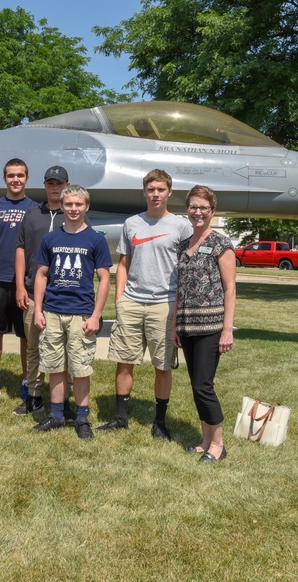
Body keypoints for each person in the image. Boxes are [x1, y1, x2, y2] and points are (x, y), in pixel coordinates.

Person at [99, 169, 192, 441]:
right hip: (131, 302)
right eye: (151, 189)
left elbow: (186, 267)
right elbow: (123, 264)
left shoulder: (181, 226)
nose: (155, 194)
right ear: (144, 192)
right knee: (124, 361)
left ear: (169, 192)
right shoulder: (132, 223)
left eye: (160, 190)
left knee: (162, 365)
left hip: (165, 304)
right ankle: (120, 417)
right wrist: (120, 300)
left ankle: (160, 422)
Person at [31, 185, 112, 439]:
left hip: (81, 313)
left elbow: (104, 278)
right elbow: (42, 275)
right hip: (53, 311)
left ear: (86, 206)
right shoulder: (51, 239)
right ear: (62, 206)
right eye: (69, 204)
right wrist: (38, 309)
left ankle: (81, 418)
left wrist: (96, 315)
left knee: (80, 367)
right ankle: (56, 415)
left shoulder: (96, 239)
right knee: (54, 365)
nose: (74, 209)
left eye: (79, 205)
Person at [172, 185, 236, 463]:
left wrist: (226, 329)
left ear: (212, 211)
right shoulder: (183, 245)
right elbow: (179, 287)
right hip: (187, 326)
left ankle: (219, 445)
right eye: (193, 207)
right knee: (195, 384)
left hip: (211, 325)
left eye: (204, 208)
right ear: (187, 210)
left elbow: (230, 288)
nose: (198, 212)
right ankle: (205, 439)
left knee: (203, 385)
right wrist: (175, 323)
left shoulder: (222, 244)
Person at [12, 165, 69, 416]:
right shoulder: (32, 214)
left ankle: (63, 400)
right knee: (33, 347)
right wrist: (19, 286)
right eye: (50, 183)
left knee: (62, 350)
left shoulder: (74, 213)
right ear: (45, 185)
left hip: (63, 295)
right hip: (33, 292)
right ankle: (34, 396)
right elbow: (21, 250)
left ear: (66, 185)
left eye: (58, 183)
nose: (54, 187)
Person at [0, 158, 38, 400]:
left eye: (20, 175)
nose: (15, 179)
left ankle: (27, 380)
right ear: (4, 179)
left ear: (27, 178)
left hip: (25, 283)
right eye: (10, 175)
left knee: (26, 336)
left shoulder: (36, 209)